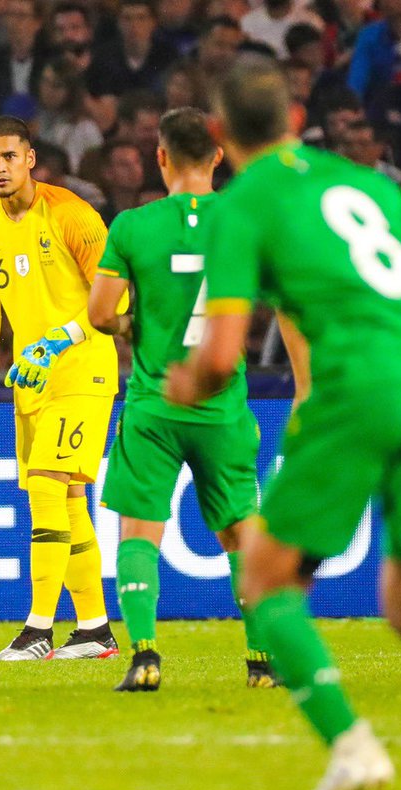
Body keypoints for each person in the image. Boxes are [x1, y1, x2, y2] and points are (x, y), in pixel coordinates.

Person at [165, 58, 401, 790]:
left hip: (358, 386)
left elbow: (225, 351)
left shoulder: (242, 208)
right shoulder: (360, 180)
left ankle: (351, 746)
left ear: (217, 132)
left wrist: (186, 381)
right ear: (296, 120)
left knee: (265, 578)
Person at [88, 107, 286, 692]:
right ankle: (262, 662)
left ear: (161, 156)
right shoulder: (248, 222)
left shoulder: (132, 226)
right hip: (223, 408)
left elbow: (99, 313)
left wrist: (131, 329)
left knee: (139, 532)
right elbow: (290, 304)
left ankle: (145, 655)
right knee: (239, 533)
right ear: (219, 156)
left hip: (155, 406)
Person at [0, 115, 119, 661]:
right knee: (69, 501)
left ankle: (38, 629)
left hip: (83, 370)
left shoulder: (72, 213)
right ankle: (95, 629)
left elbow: (117, 299)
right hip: (30, 384)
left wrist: (56, 343)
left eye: (9, 157)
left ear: (30, 159)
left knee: (49, 487)